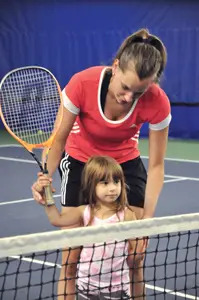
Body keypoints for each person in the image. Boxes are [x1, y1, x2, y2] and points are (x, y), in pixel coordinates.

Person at [32, 27, 171, 299]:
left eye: (139, 92)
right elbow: (58, 141)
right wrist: (45, 177)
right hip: (82, 160)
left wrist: (147, 224)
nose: (129, 97)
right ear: (115, 66)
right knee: (71, 258)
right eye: (126, 87)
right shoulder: (83, 83)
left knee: (135, 257)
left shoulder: (158, 102)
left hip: (124, 165)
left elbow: (156, 166)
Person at [35, 155, 146, 299]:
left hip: (117, 289)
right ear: (92, 185)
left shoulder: (126, 215)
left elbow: (136, 250)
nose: (112, 188)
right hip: (86, 287)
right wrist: (47, 198)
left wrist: (137, 254)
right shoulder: (84, 212)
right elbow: (56, 220)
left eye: (116, 182)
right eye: (105, 183)